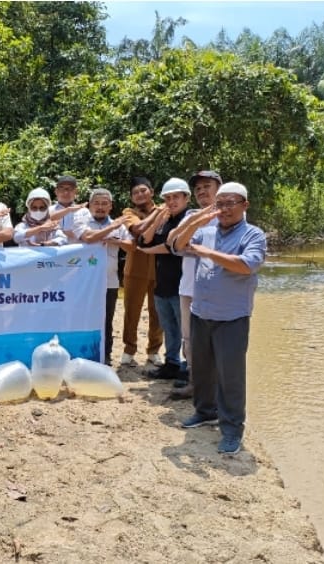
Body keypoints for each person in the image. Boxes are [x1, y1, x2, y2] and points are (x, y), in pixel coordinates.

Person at [174, 182, 267, 455]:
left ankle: (232, 430)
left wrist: (206, 252)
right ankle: (205, 412)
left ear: (244, 205)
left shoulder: (253, 234)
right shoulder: (206, 231)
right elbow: (178, 245)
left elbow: (247, 265)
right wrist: (197, 220)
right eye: (220, 204)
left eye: (230, 203)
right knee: (202, 369)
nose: (224, 209)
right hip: (201, 312)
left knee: (230, 376)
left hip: (232, 317)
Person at [167, 170, 222, 399]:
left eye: (207, 186)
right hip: (188, 287)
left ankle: (218, 389)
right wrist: (192, 230)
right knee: (189, 339)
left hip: (218, 289)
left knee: (217, 340)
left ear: (219, 188)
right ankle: (194, 383)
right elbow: (173, 243)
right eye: (198, 188)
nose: (202, 191)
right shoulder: (190, 214)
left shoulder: (230, 214)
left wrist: (189, 245)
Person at [138, 178, 191, 379]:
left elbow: (173, 246)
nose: (171, 201)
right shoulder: (165, 220)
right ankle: (171, 363)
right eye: (167, 198)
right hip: (162, 283)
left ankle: (188, 367)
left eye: (176, 197)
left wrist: (148, 251)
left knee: (187, 332)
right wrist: (158, 218)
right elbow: (144, 240)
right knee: (169, 328)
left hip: (183, 285)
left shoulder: (190, 219)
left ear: (186, 198)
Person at [74, 188, 134, 365]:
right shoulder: (82, 222)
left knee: (106, 320)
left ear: (110, 206)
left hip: (110, 282)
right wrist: (112, 228)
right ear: (90, 205)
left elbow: (132, 246)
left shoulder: (119, 225)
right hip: (85, 282)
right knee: (83, 318)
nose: (100, 207)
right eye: (96, 203)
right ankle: (83, 354)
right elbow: (88, 238)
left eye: (104, 204)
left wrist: (117, 241)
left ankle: (105, 356)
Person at [119, 177, 164, 367]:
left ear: (152, 192)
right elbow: (137, 229)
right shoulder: (129, 212)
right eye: (135, 192)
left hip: (160, 269)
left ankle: (154, 350)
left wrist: (160, 211)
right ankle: (129, 349)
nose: (139, 194)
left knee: (158, 312)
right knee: (131, 312)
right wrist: (158, 214)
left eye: (143, 190)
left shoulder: (166, 209)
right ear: (131, 197)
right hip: (134, 270)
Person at [49, 175, 91, 244]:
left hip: (76, 250)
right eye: (62, 189)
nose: (66, 192)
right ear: (56, 191)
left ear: (76, 191)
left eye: (70, 189)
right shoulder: (49, 210)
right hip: (52, 250)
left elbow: (88, 234)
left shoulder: (83, 211)